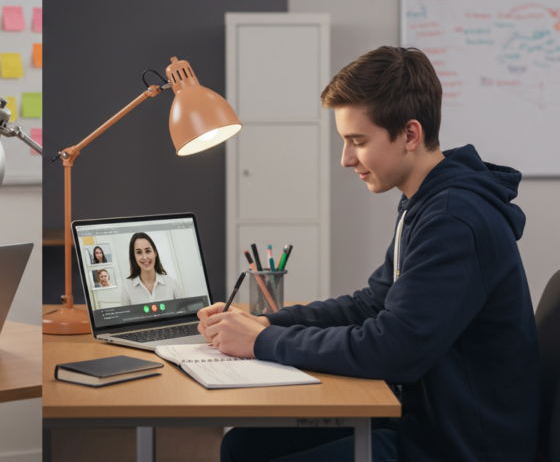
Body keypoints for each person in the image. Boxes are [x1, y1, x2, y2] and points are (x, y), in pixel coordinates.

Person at [201, 46, 539, 462]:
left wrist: (262, 341)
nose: (346, 159)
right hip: (424, 416)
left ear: (410, 135)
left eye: (357, 141)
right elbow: (371, 305)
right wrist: (267, 321)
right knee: (243, 444)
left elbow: (393, 349)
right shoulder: (425, 202)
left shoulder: (454, 219)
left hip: (458, 444)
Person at [120, 232, 184, 306]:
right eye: (139, 252)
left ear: (155, 253)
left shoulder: (172, 283)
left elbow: (183, 310)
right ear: (134, 257)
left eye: (148, 251)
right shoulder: (127, 287)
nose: (144, 257)